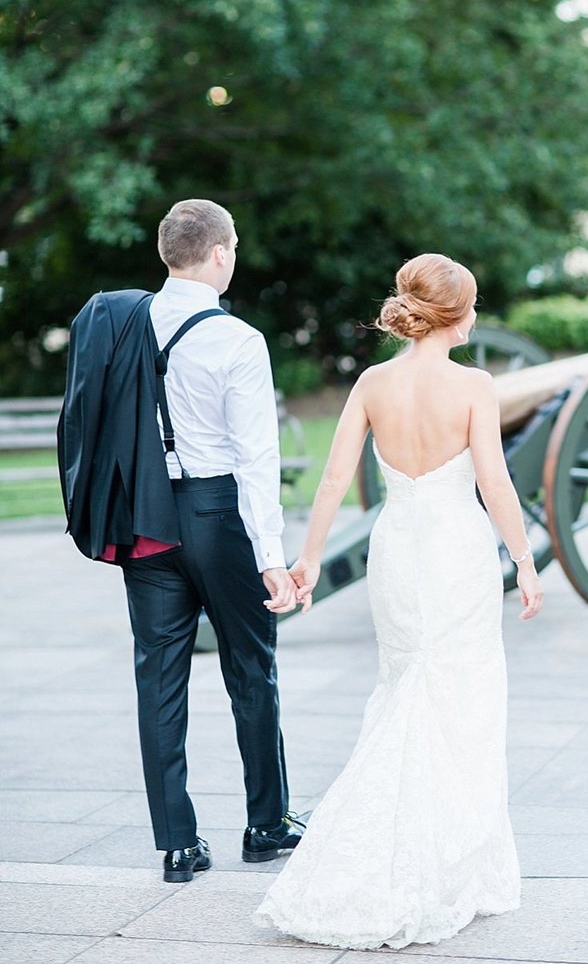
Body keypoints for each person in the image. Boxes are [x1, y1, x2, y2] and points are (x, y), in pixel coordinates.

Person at [254, 252, 544, 949]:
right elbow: (497, 487)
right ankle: (446, 866)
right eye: (472, 304)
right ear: (458, 314)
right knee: (461, 699)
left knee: (404, 686)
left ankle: (387, 852)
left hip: (397, 549)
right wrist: (527, 562)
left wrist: (309, 561)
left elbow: (331, 479)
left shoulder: (373, 382)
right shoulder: (474, 385)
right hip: (457, 552)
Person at [120, 199, 305, 882]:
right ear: (221, 252)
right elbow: (257, 459)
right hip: (216, 509)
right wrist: (271, 556)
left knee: (158, 678)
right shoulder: (237, 340)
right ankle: (265, 822)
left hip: (145, 514)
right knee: (251, 668)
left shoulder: (126, 323)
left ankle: (177, 843)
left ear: (168, 253)